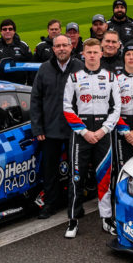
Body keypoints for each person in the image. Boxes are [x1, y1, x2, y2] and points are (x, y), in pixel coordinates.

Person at [62, 39, 121, 238]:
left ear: (101, 53)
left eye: (96, 52)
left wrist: (104, 130)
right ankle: (73, 219)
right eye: (89, 52)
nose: (93, 55)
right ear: (83, 54)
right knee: (76, 178)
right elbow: (67, 108)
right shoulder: (74, 78)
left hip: (103, 131)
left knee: (104, 177)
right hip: (81, 132)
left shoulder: (111, 77)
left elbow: (116, 108)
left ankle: (106, 218)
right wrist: (84, 131)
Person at [29, 34, 82, 218]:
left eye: (64, 45)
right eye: (57, 46)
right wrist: (38, 128)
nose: (61, 49)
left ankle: (75, 204)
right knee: (49, 169)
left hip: (74, 129)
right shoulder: (44, 69)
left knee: (76, 170)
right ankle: (50, 203)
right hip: (49, 130)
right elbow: (35, 100)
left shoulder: (80, 68)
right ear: (53, 49)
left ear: (71, 47)